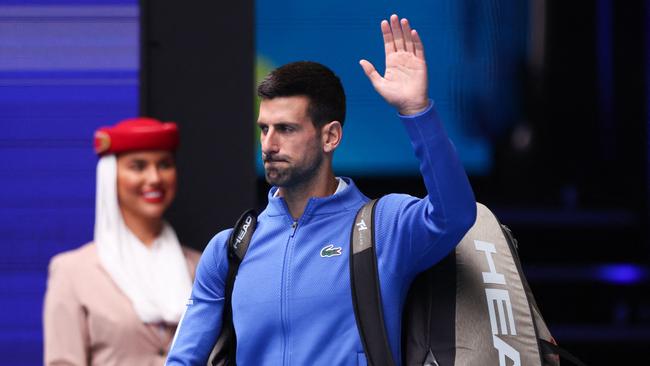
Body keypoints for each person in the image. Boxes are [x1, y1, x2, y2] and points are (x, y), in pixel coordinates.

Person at [166, 14, 476, 365]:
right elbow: (182, 361)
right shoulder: (229, 249)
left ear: (331, 136)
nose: (268, 144)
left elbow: (456, 214)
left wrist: (416, 111)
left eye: (286, 129)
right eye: (264, 128)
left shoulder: (382, 228)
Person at [43, 118, 201, 365]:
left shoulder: (202, 266)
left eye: (164, 164)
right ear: (110, 177)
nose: (154, 178)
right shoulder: (72, 272)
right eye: (138, 166)